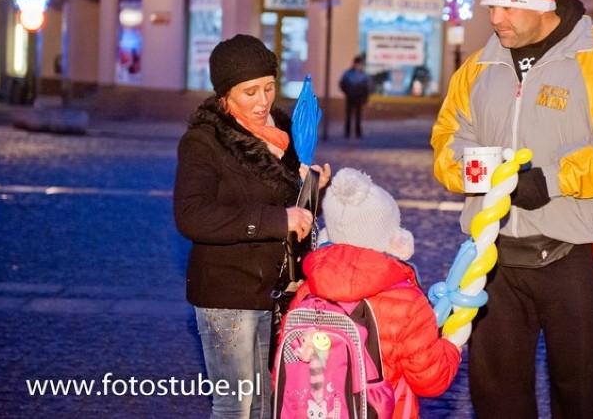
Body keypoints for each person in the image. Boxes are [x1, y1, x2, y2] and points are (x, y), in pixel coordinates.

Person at [431, 0, 593, 419]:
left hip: (570, 258)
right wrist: (484, 174)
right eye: (491, 7)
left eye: (508, 8)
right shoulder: (479, 67)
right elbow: (447, 139)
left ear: (540, 4)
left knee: (579, 395)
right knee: (496, 398)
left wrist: (550, 180)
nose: (496, 20)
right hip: (492, 261)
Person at [173, 34, 331, 419]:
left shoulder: (282, 131)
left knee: (265, 404)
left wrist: (313, 191)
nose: (263, 101)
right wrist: (278, 220)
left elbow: (290, 207)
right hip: (227, 294)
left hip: (275, 291)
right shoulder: (203, 142)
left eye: (269, 87)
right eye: (250, 92)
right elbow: (191, 215)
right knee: (235, 404)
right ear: (225, 95)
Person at [283, 167, 462, 418]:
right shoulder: (408, 301)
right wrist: (452, 345)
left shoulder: (306, 292)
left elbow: (286, 367)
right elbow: (430, 380)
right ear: (393, 239)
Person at [338, 55, 373, 138]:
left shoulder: (363, 75)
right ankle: (348, 133)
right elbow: (342, 84)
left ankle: (358, 133)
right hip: (350, 97)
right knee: (349, 116)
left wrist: (365, 97)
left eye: (359, 64)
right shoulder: (349, 74)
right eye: (357, 64)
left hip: (358, 98)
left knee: (358, 116)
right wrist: (347, 92)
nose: (358, 66)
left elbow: (367, 87)